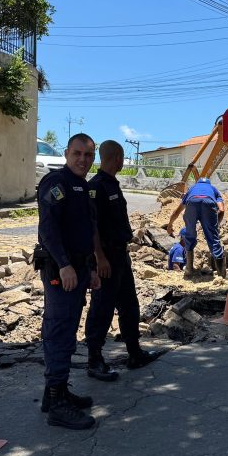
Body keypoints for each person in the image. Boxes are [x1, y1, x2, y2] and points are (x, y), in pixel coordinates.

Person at [36, 133, 100, 430]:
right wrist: (64, 265)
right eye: (77, 153)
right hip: (61, 270)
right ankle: (57, 405)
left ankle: (54, 394)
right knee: (59, 330)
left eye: (88, 155)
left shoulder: (82, 186)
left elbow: (86, 232)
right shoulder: (56, 183)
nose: (83, 160)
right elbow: (48, 230)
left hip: (78, 268)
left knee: (68, 327)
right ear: (66, 153)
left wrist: (91, 269)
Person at [86, 140, 165, 381]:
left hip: (120, 256)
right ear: (118, 158)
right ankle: (94, 360)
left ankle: (134, 353)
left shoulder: (112, 184)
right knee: (102, 308)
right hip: (106, 257)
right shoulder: (96, 186)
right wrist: (100, 258)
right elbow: (92, 226)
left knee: (129, 305)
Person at [181, 177, 227, 277]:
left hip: (192, 203)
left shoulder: (192, 189)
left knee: (189, 233)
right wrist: (215, 225)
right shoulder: (213, 189)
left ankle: (189, 270)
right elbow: (221, 210)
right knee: (213, 239)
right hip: (208, 203)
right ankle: (221, 275)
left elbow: (179, 209)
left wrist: (170, 224)